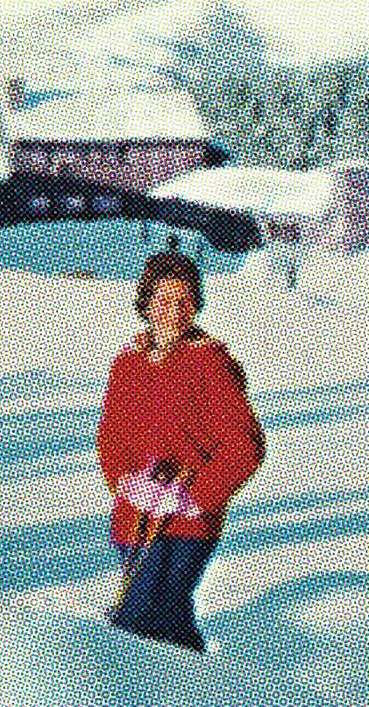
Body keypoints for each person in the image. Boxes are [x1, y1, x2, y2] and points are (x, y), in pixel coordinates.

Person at [98, 248, 264, 651]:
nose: (173, 310)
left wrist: (195, 495)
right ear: (146, 303)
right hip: (133, 518)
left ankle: (122, 703)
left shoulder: (210, 364)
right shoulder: (127, 364)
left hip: (187, 523)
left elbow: (246, 445)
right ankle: (199, 699)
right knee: (168, 626)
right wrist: (126, 481)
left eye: (184, 301)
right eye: (164, 299)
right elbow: (110, 435)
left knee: (138, 622)